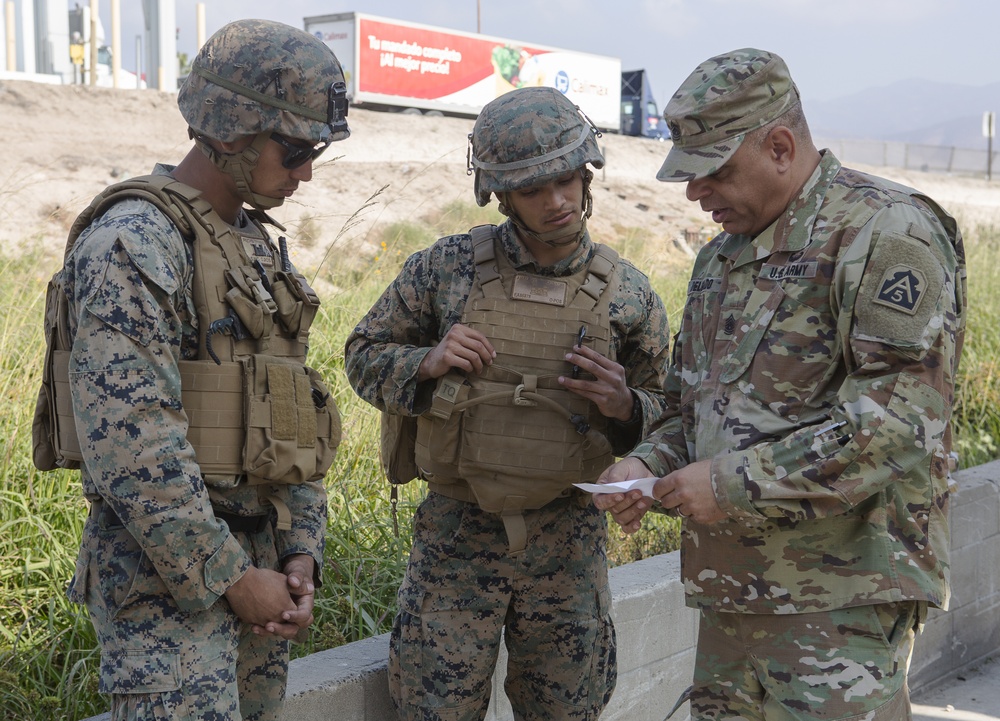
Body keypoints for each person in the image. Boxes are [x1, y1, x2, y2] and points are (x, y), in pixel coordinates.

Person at [594, 48, 967, 720]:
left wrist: (730, 483)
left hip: (840, 604)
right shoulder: (719, 260)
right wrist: (645, 463)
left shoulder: (884, 233)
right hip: (733, 598)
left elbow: (898, 421)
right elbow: (694, 409)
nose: (695, 193)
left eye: (713, 172)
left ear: (780, 145)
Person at [35, 19, 349, 721]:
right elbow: (133, 445)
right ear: (232, 129)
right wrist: (233, 576)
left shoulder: (255, 249)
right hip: (167, 592)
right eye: (294, 149)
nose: (305, 172)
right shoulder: (135, 243)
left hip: (258, 573)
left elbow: (293, 413)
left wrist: (300, 554)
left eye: (315, 150)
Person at [344, 85, 671, 720]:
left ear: (587, 173)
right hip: (457, 534)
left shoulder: (628, 294)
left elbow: (674, 412)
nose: (557, 202)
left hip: (568, 539)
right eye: (533, 189)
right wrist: (426, 364)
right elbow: (361, 353)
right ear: (500, 194)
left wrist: (627, 406)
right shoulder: (444, 271)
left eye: (568, 181)